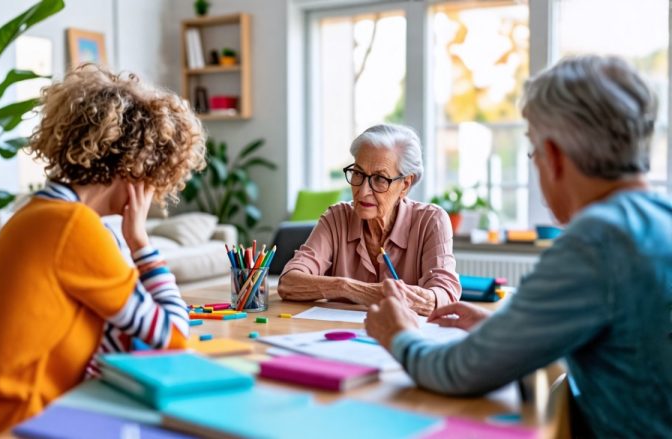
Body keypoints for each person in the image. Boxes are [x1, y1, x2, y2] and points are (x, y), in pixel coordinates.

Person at [365, 56, 672, 437]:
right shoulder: (661, 218)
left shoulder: (595, 242)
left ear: (555, 157)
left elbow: (455, 372)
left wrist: (398, 333)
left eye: (533, 152)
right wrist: (512, 332)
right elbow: (628, 346)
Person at [0, 66, 206, 438]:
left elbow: (117, 337)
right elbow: (172, 334)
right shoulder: (72, 227)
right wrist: (140, 242)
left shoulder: (41, 213)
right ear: (136, 167)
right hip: (3, 428)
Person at [278, 124, 460, 315]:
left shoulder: (431, 221)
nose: (363, 191)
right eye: (358, 173)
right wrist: (351, 289)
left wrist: (415, 298)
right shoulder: (337, 218)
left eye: (380, 179)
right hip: (340, 337)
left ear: (405, 185)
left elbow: (445, 294)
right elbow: (289, 282)